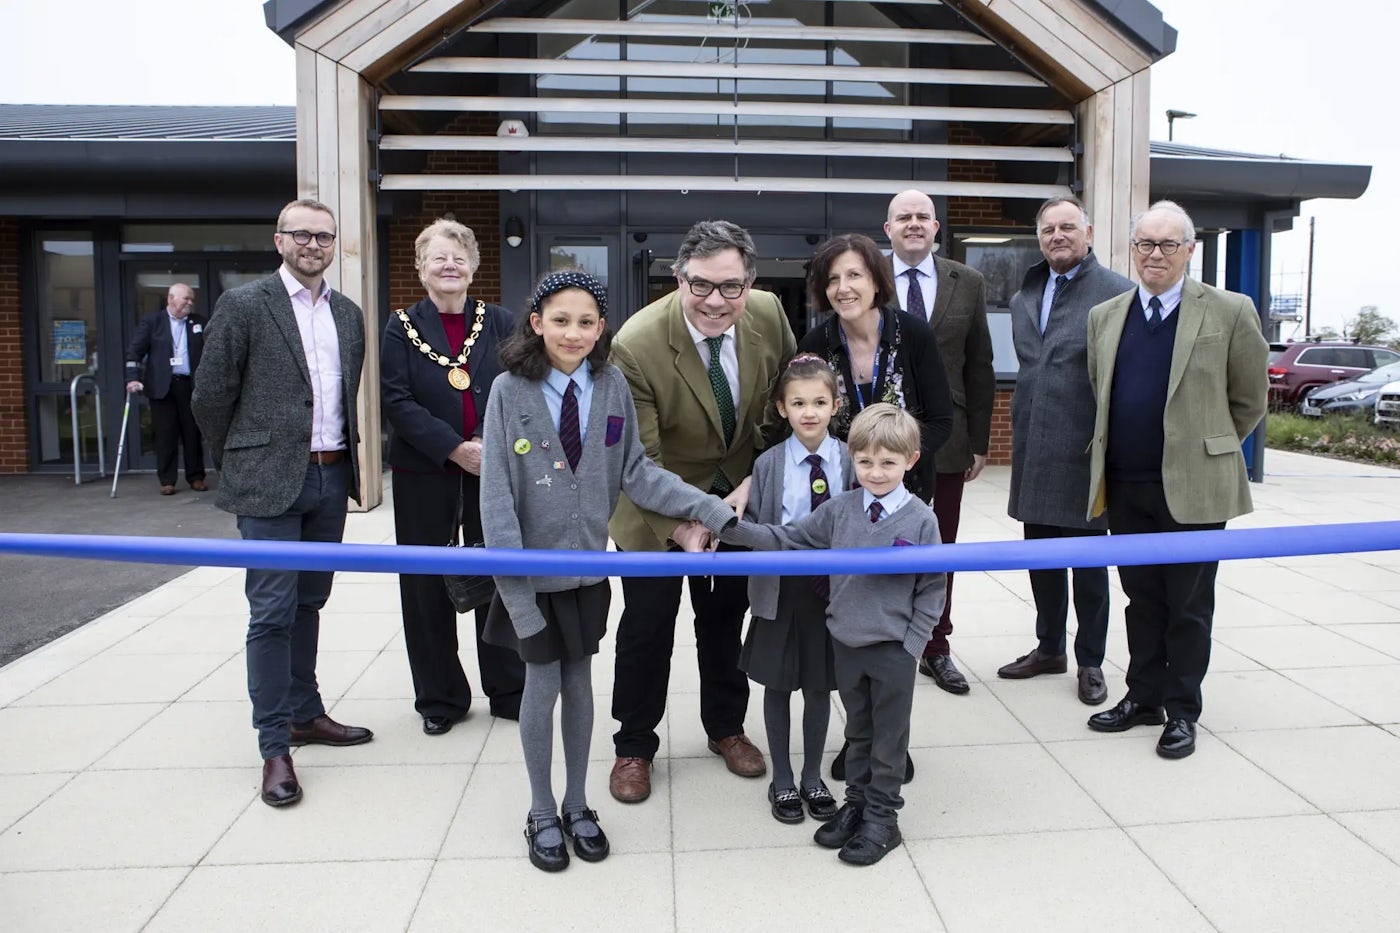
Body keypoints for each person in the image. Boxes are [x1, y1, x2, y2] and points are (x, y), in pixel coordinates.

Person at [480, 270, 737, 872]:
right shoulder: (508, 392)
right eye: (561, 320)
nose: (574, 333)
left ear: (602, 329)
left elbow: (638, 472)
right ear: (536, 322)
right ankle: (542, 809)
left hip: (589, 573)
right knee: (540, 689)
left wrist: (707, 508)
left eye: (587, 322)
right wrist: (516, 599)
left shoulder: (611, 383)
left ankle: (576, 803)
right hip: (531, 580)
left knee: (579, 689)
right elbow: (496, 500)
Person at [607, 220, 796, 805]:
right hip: (656, 507)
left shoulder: (767, 314)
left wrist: (748, 486)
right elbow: (641, 459)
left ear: (751, 283)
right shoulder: (634, 344)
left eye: (731, 286)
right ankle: (633, 745)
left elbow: (786, 407)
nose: (716, 301)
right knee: (647, 628)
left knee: (723, 623)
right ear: (678, 277)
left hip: (737, 496)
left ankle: (726, 728)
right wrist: (685, 525)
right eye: (701, 286)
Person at [192, 198, 373, 808]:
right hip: (268, 482)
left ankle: (304, 712)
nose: (313, 245)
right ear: (278, 241)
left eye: (324, 236)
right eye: (301, 235)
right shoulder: (244, 306)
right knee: (271, 611)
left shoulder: (348, 314)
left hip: (329, 477)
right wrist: (240, 460)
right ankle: (275, 746)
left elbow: (345, 396)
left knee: (310, 602)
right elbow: (210, 397)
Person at [722, 403, 945, 866]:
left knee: (888, 740)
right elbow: (788, 538)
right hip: (846, 643)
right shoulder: (840, 510)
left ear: (911, 460)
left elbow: (933, 588)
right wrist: (730, 527)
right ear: (852, 460)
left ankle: (884, 820)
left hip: (892, 649)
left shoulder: (921, 519)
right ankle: (858, 804)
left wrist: (913, 645)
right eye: (865, 462)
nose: (876, 472)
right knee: (858, 734)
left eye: (888, 462)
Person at [1084, 200, 1269, 760]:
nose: (1154, 254)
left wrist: (1206, 446)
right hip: (1126, 483)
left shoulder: (1230, 310)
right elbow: (1103, 390)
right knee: (1140, 599)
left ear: (1190, 249)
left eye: (1168, 244)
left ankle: (1182, 710)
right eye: (1145, 243)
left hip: (1194, 486)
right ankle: (1143, 697)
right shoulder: (1107, 315)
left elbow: (1250, 398)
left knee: (1188, 604)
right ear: (1133, 248)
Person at [798, 232, 953, 781]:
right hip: (845, 499)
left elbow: (940, 418)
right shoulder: (817, 342)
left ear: (876, 280)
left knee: (895, 609)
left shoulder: (910, 333)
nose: (844, 288)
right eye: (833, 279)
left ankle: (892, 744)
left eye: (854, 276)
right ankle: (858, 738)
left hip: (902, 492)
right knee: (850, 613)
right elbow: (806, 415)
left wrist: (894, 463)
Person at [380, 218, 526, 734]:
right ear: (421, 268)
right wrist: (453, 448)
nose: (449, 265)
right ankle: (440, 698)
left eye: (459, 257)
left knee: (502, 576)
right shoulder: (401, 325)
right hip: (425, 471)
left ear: (472, 268)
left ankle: (509, 688)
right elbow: (395, 399)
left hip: (495, 469)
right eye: (438, 257)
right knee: (425, 585)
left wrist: (494, 446)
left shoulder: (503, 320)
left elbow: (523, 387)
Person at [999, 196, 1134, 705]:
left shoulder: (1117, 293)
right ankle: (1049, 647)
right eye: (1048, 229)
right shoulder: (1025, 293)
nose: (1058, 235)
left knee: (1088, 566)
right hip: (1035, 445)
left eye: (1068, 227)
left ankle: (1091, 661)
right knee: (1042, 559)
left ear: (1089, 233)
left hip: (1086, 449)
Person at [884, 189, 994, 695]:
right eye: (903, 217)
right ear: (888, 229)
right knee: (875, 541)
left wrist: (979, 440)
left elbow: (979, 366)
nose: (913, 224)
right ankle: (881, 637)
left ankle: (935, 645)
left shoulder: (966, 282)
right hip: (876, 438)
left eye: (922, 216)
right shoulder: (863, 276)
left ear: (936, 227)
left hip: (946, 439)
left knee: (939, 545)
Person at [739, 353, 850, 825]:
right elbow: (762, 527)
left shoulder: (850, 457)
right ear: (782, 408)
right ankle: (781, 777)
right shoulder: (767, 465)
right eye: (798, 402)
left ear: (836, 405)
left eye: (820, 402)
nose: (810, 412)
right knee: (779, 683)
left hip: (832, 592)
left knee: (820, 686)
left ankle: (811, 775)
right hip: (781, 589)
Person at [124, 283, 207, 495]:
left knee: (192, 433)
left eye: (191, 299)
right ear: (171, 299)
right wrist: (132, 378)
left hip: (191, 386)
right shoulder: (152, 322)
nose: (190, 302)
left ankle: (196, 477)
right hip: (163, 387)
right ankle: (167, 480)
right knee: (165, 434)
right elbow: (135, 352)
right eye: (186, 298)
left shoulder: (199, 322)